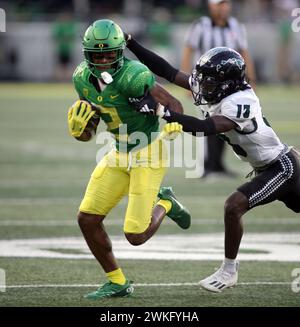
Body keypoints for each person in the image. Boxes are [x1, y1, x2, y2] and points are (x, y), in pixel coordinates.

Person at [125, 38, 300, 292]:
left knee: (233, 205)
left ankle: (229, 271)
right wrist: (131, 42)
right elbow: (167, 71)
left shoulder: (241, 101)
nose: (201, 87)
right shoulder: (218, 89)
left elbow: (206, 128)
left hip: (282, 167)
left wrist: (163, 112)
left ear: (227, 84)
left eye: (208, 82)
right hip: (271, 167)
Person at [68, 19, 191, 299]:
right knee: (87, 219)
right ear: (87, 54)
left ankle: (166, 202)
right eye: (97, 54)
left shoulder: (134, 74)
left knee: (135, 235)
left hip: (148, 152)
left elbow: (176, 105)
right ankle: (118, 281)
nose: (103, 59)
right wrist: (82, 132)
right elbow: (93, 124)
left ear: (120, 51)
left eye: (110, 53)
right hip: (119, 152)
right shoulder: (80, 78)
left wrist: (169, 120)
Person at [181, 0, 256, 178]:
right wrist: (186, 79)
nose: (223, 7)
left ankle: (218, 164)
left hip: (229, 83)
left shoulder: (236, 26)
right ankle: (206, 166)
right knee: (207, 121)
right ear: (211, 6)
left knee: (225, 121)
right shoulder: (200, 25)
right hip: (206, 83)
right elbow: (188, 50)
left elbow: (244, 52)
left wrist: (251, 77)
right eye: (218, 4)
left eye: (225, 4)